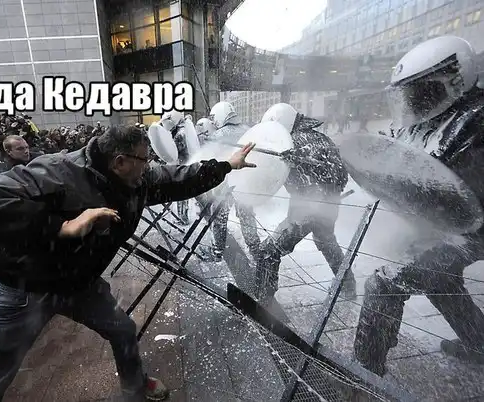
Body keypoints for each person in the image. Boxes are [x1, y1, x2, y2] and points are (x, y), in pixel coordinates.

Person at [0, 124, 256, 401]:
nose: (149, 165)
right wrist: (60, 226)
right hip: (25, 291)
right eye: (145, 159)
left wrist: (226, 166)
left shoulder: (136, 180)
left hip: (78, 282)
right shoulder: (58, 171)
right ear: (120, 161)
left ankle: (135, 385)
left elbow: (176, 178)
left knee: (123, 330)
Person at [354, 35, 484, 376]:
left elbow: (457, 190)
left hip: (474, 228)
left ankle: (364, 377)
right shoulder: (430, 121)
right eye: (408, 94)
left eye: (422, 92)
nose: (413, 102)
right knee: (441, 280)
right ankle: (480, 344)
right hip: (449, 224)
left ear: (454, 80)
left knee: (385, 283)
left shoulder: (476, 122)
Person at [255, 103, 354, 303]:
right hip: (330, 206)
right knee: (327, 242)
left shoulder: (292, 141)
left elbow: (283, 175)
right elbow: (342, 175)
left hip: (308, 210)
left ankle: (263, 301)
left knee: (269, 250)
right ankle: (348, 286)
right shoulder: (321, 138)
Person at [201, 101, 261, 262]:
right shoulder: (247, 130)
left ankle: (217, 251)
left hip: (225, 183)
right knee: (247, 217)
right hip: (245, 182)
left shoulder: (218, 135)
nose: (213, 122)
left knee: (219, 217)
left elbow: (209, 159)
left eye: (214, 118)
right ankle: (256, 250)